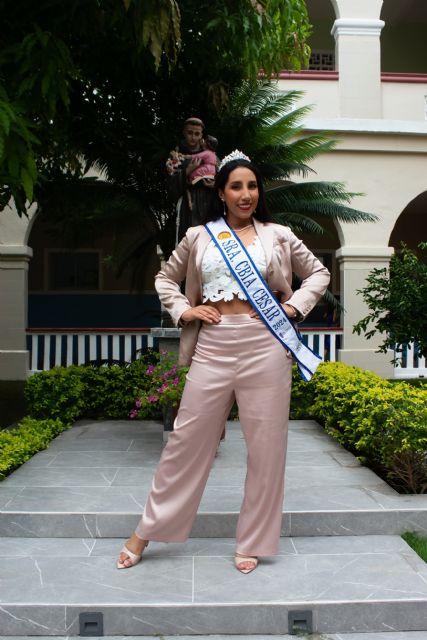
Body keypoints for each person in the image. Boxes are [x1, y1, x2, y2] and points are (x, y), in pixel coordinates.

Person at [117, 151, 330, 574]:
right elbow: (165, 277)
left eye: (252, 186)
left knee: (266, 450)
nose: (246, 194)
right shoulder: (199, 236)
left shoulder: (279, 234)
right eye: (236, 186)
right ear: (221, 193)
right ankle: (145, 530)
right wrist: (185, 310)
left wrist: (292, 308)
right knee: (185, 443)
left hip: (265, 346)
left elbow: (319, 273)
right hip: (212, 347)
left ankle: (253, 540)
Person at [166, 117, 218, 242]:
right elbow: (170, 186)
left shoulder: (210, 153)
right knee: (189, 242)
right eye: (190, 133)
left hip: (208, 202)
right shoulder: (177, 155)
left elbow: (223, 179)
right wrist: (188, 171)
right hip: (187, 206)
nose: (193, 137)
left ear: (201, 135)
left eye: (197, 134)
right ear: (184, 132)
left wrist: (215, 184)